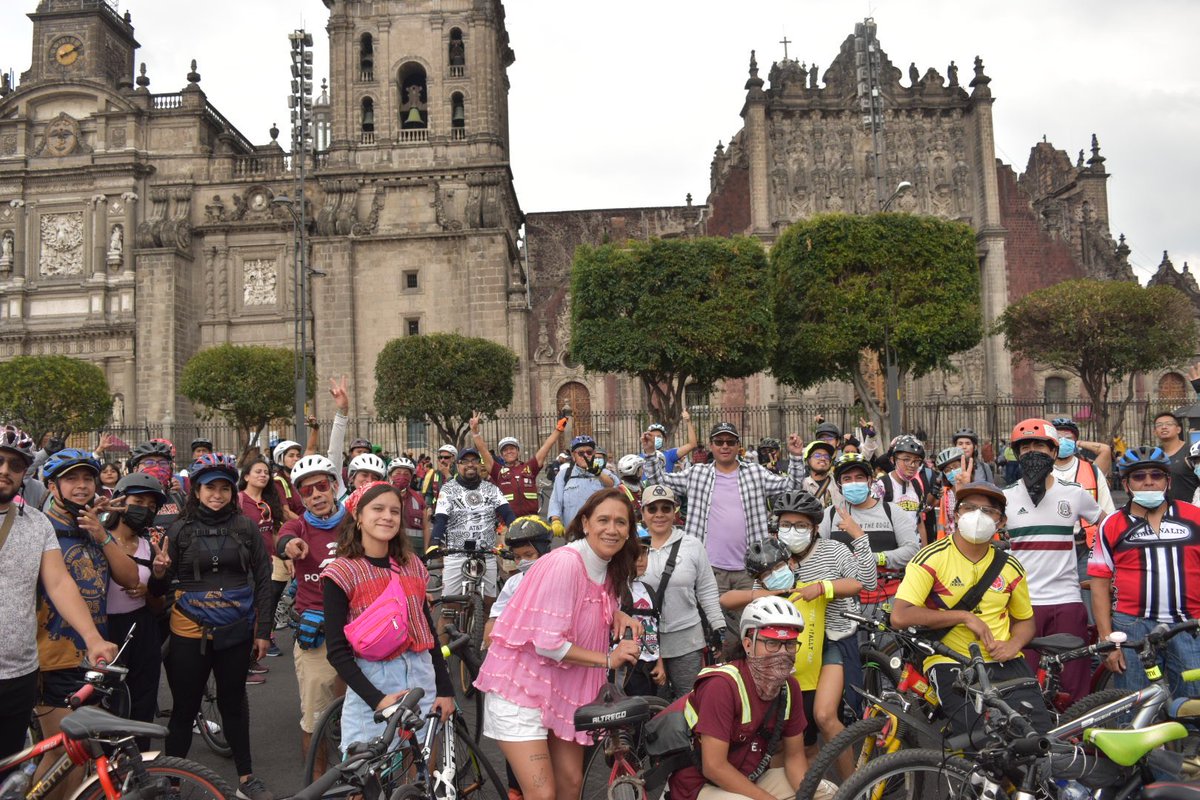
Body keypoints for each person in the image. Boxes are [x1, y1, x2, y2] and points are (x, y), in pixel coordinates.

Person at [474, 488, 642, 800]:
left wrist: (616, 613)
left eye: (621, 522)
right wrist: (609, 659)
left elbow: (586, 605)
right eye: (603, 519)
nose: (612, 528)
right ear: (586, 523)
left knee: (570, 786)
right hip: (521, 690)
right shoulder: (566, 562)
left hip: (562, 692)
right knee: (543, 795)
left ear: (629, 530)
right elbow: (548, 645)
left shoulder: (609, 568)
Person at [149, 453, 274, 800]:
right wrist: (159, 572)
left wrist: (263, 630)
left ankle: (247, 779)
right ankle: (172, 783)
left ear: (232, 492)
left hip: (235, 630)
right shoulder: (180, 530)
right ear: (197, 491)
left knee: (234, 703)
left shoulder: (246, 526)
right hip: (189, 633)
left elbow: (263, 579)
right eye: (209, 488)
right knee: (184, 708)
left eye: (224, 488)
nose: (217, 494)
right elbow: (158, 591)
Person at [890, 481, 1054, 736]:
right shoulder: (931, 558)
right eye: (969, 508)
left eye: (988, 511)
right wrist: (964, 617)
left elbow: (1025, 621)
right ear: (956, 515)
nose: (978, 516)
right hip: (950, 660)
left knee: (1035, 738)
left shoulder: (1011, 567)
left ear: (1001, 522)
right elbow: (900, 616)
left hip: (1006, 662)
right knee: (979, 740)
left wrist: (1013, 645)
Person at [0, 425, 118, 766]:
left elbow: (59, 583)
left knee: (11, 769)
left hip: (19, 673)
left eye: (15, 465)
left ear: (26, 473)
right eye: (0, 461)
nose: (5, 470)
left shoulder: (36, 524)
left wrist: (93, 639)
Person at [321, 482, 455, 756]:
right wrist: (377, 700)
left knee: (420, 767)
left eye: (395, 511)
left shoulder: (413, 564)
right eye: (378, 509)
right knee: (363, 775)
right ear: (358, 515)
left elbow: (427, 632)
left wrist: (445, 688)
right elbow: (336, 651)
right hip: (373, 682)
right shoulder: (341, 573)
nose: (388, 516)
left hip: (422, 678)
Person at [36, 447, 139, 786]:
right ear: (52, 487)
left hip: (92, 658)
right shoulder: (40, 528)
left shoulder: (93, 527)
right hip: (52, 659)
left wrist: (102, 535)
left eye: (86, 478)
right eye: (71, 479)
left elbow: (130, 578)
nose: (81, 486)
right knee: (63, 754)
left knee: (77, 757)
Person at [641, 423, 805, 631]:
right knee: (712, 630)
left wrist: (797, 457)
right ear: (711, 446)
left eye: (730, 442)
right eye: (719, 442)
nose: (724, 446)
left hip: (751, 570)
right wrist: (649, 454)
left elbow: (792, 487)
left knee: (751, 627)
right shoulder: (696, 474)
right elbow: (658, 482)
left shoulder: (755, 473)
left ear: (738, 446)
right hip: (709, 571)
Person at [667, 597, 813, 800]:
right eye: (772, 643)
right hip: (699, 786)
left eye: (789, 644)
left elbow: (795, 757)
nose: (782, 653)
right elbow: (714, 767)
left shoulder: (790, 687)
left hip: (750, 778)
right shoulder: (722, 685)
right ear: (747, 644)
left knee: (824, 791)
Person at [1002, 419, 1102, 701]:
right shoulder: (1005, 498)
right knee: (1023, 685)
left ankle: (1077, 741)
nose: (1032, 452)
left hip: (1066, 602)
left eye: (1040, 446)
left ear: (1054, 452)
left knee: (1073, 684)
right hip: (1022, 605)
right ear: (1016, 454)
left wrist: (1100, 570)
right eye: (1025, 447)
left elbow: (1107, 528)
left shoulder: (1074, 493)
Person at [1090, 446, 1200, 698]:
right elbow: (1098, 584)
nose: (1148, 482)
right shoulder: (1112, 523)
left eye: (1156, 475)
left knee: (1193, 709)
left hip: (1189, 626)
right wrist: (1107, 640)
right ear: (1126, 485)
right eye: (1139, 477)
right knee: (1136, 708)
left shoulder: (1194, 516)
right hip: (1133, 628)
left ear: (1168, 481)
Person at [276, 455, 347, 778]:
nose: (316, 495)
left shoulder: (356, 522)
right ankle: (317, 785)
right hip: (318, 634)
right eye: (307, 491)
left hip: (360, 631)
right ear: (301, 497)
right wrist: (289, 545)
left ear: (334, 487)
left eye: (321, 487)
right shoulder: (299, 526)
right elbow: (284, 538)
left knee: (357, 713)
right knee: (315, 720)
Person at [637, 484, 726, 699]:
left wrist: (718, 627)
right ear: (643, 513)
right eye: (653, 509)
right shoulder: (632, 545)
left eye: (666, 509)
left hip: (686, 639)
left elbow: (706, 589)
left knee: (689, 700)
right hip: (643, 641)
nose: (659, 515)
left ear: (674, 511)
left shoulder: (692, 545)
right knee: (649, 703)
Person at [103, 472, 169, 744]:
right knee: (107, 705)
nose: (145, 509)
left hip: (141, 630)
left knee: (142, 704)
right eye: (138, 501)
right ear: (120, 501)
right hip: (106, 631)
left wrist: (155, 580)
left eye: (152, 506)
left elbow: (157, 605)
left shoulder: (149, 547)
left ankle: (140, 768)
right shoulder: (98, 539)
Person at [818, 453, 918, 613]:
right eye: (847, 479)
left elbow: (912, 551)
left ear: (870, 481)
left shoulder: (892, 511)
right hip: (841, 603)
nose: (854, 483)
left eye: (859, 477)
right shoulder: (830, 515)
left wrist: (878, 558)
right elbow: (817, 554)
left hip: (886, 599)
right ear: (839, 484)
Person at [430, 447, 515, 631]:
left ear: (479, 464)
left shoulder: (491, 489)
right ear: (457, 465)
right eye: (465, 461)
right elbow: (441, 518)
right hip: (456, 553)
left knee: (488, 607)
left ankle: (483, 654)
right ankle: (442, 660)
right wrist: (434, 542)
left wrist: (517, 533)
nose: (470, 464)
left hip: (487, 553)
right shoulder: (449, 488)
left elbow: (507, 513)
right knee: (449, 611)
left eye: (474, 461)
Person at [1051, 416, 1115, 620]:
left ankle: (1093, 645)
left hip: (1087, 547)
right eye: (1057, 437)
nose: (1062, 441)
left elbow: (1108, 514)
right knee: (1057, 601)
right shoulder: (1040, 473)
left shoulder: (1092, 471)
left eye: (1067, 437)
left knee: (1091, 601)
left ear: (1076, 441)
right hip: (1054, 548)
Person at [469, 412, 566, 519]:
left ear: (518, 451)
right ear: (501, 455)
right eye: (505, 450)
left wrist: (558, 430)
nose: (509, 452)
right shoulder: (498, 471)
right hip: (508, 523)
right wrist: (475, 433)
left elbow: (545, 448)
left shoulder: (529, 468)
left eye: (512, 448)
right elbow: (484, 451)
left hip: (531, 520)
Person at [238, 456, 287, 665]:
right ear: (246, 476)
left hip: (265, 563)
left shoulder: (267, 503)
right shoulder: (238, 500)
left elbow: (274, 533)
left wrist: (285, 556)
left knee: (260, 609)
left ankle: (252, 658)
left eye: (266, 472)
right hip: (244, 565)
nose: (263, 475)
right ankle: (243, 662)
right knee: (246, 611)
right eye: (258, 471)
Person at [482, 515, 553, 648]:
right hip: (520, 645)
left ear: (544, 552)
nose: (522, 562)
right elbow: (498, 611)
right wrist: (491, 623)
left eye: (528, 555)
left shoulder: (559, 579)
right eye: (517, 557)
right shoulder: (513, 583)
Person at [547, 434, 618, 534]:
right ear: (573, 456)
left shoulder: (603, 473)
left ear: (594, 453)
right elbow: (556, 500)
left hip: (598, 534)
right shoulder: (564, 475)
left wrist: (598, 473)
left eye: (589, 452)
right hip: (573, 533)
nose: (585, 456)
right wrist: (555, 520)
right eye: (580, 453)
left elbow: (614, 485)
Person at [872, 435, 936, 545]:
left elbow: (919, 521)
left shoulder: (916, 485)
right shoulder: (881, 485)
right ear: (893, 460)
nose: (912, 465)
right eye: (906, 459)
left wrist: (923, 553)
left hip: (913, 549)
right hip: (890, 551)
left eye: (916, 461)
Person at [626, 530, 666, 697]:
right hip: (627, 669)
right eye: (634, 553)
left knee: (649, 715)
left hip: (650, 668)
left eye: (644, 552)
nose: (640, 559)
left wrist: (659, 662)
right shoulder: (616, 590)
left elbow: (654, 629)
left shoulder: (648, 590)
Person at [386, 456, 430, 555]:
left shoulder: (418, 498)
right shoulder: (381, 495)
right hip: (389, 552)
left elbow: (426, 527)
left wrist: (426, 552)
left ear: (411, 477)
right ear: (390, 475)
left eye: (406, 474)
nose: (402, 477)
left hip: (415, 552)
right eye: (398, 473)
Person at [1152, 412, 1199, 503]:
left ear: (1178, 429)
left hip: (1190, 511)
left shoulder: (1192, 453)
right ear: (1155, 432)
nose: (1164, 427)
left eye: (1169, 424)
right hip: (1163, 512)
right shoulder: (1153, 455)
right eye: (1159, 425)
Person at [646, 409, 698, 474]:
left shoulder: (669, 455)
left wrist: (688, 421)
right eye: (653, 436)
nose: (656, 438)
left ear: (664, 439)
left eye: (659, 436)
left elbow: (692, 444)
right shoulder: (640, 458)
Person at [933, 446, 965, 540]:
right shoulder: (946, 493)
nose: (952, 472)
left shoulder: (977, 490)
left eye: (955, 467)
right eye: (947, 470)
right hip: (950, 542)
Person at [800, 441, 840, 508]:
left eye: (826, 456)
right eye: (817, 455)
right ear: (808, 460)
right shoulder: (801, 485)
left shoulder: (838, 483)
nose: (823, 458)